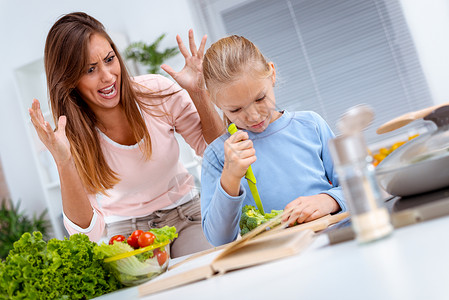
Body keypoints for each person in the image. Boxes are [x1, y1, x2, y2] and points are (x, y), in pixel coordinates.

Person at [28, 12, 224, 258]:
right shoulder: (70, 137)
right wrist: (63, 161)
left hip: (187, 214)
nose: (108, 76)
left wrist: (199, 94)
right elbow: (86, 233)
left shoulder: (155, 93)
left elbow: (218, 154)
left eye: (109, 59)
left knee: (207, 267)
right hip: (127, 234)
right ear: (69, 80)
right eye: (90, 69)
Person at [200, 35, 347, 246]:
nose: (253, 116)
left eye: (260, 98)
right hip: (273, 257)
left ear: (272, 74)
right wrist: (230, 177)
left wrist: (329, 200)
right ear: (215, 101)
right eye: (236, 109)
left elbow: (357, 185)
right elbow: (219, 239)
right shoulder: (217, 156)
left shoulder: (311, 125)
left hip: (332, 240)